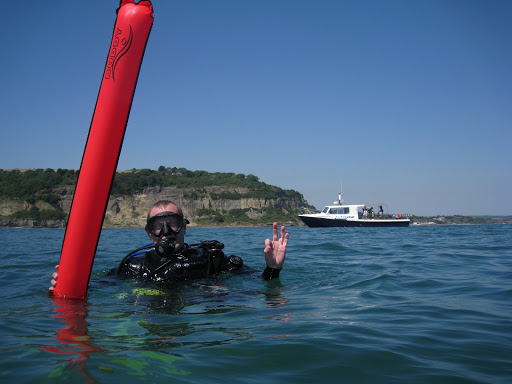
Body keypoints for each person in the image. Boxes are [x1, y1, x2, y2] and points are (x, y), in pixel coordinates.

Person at [50, 200, 289, 291]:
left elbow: (260, 284)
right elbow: (97, 287)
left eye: (173, 224)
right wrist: (67, 286)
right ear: (149, 232)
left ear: (184, 227)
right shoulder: (135, 265)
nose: (166, 233)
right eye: (158, 226)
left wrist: (273, 269)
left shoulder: (211, 259)